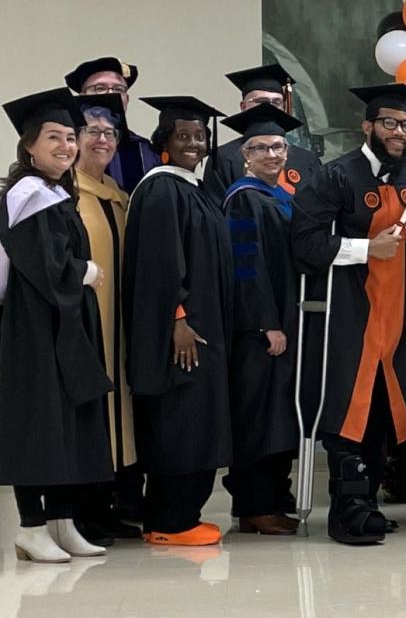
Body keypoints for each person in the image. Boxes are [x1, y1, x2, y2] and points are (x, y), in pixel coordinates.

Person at [290, 84, 406, 545]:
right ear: (368, 126)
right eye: (390, 123)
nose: (399, 132)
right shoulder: (336, 177)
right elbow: (305, 243)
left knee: (381, 407)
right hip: (349, 312)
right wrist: (365, 248)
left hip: (398, 315)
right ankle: (346, 507)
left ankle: (367, 500)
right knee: (347, 403)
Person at [0, 88, 113, 562]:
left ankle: (63, 522)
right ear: (29, 146)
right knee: (39, 423)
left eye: (71, 137)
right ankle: (30, 527)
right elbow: (45, 268)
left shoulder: (56, 192)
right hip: (34, 328)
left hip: (63, 322)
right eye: (54, 138)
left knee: (69, 420)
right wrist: (82, 272)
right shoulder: (27, 195)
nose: (66, 146)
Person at [123, 96, 233, 546]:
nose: (192, 143)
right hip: (184, 331)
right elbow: (159, 264)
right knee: (180, 422)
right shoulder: (161, 188)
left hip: (205, 331)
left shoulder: (193, 188)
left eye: (199, 136)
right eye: (183, 135)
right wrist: (177, 317)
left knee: (197, 421)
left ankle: (181, 516)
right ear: (164, 140)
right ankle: (169, 522)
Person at [218, 104, 307, 535]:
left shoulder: (283, 198)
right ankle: (254, 505)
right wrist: (265, 324)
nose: (272, 154)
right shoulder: (242, 200)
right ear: (244, 155)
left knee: (278, 416)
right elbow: (245, 270)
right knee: (258, 416)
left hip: (284, 324)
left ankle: (270, 501)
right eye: (261, 148)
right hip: (261, 332)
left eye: (278, 146)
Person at [71, 94, 141, 546]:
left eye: (110, 133)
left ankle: (108, 506)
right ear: (75, 140)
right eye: (93, 132)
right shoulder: (65, 196)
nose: (103, 139)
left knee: (118, 413)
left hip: (117, 325)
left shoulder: (118, 197)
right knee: (89, 414)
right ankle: (81, 512)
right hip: (83, 324)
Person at [203, 64, 322, 202]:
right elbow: (217, 214)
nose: (270, 107)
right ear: (243, 106)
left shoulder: (308, 160)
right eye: (261, 101)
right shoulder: (223, 159)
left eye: (276, 102)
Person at [64, 57, 158, 193]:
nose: (110, 94)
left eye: (118, 89)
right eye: (99, 88)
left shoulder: (144, 150)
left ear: (127, 99)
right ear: (82, 96)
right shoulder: (66, 146)